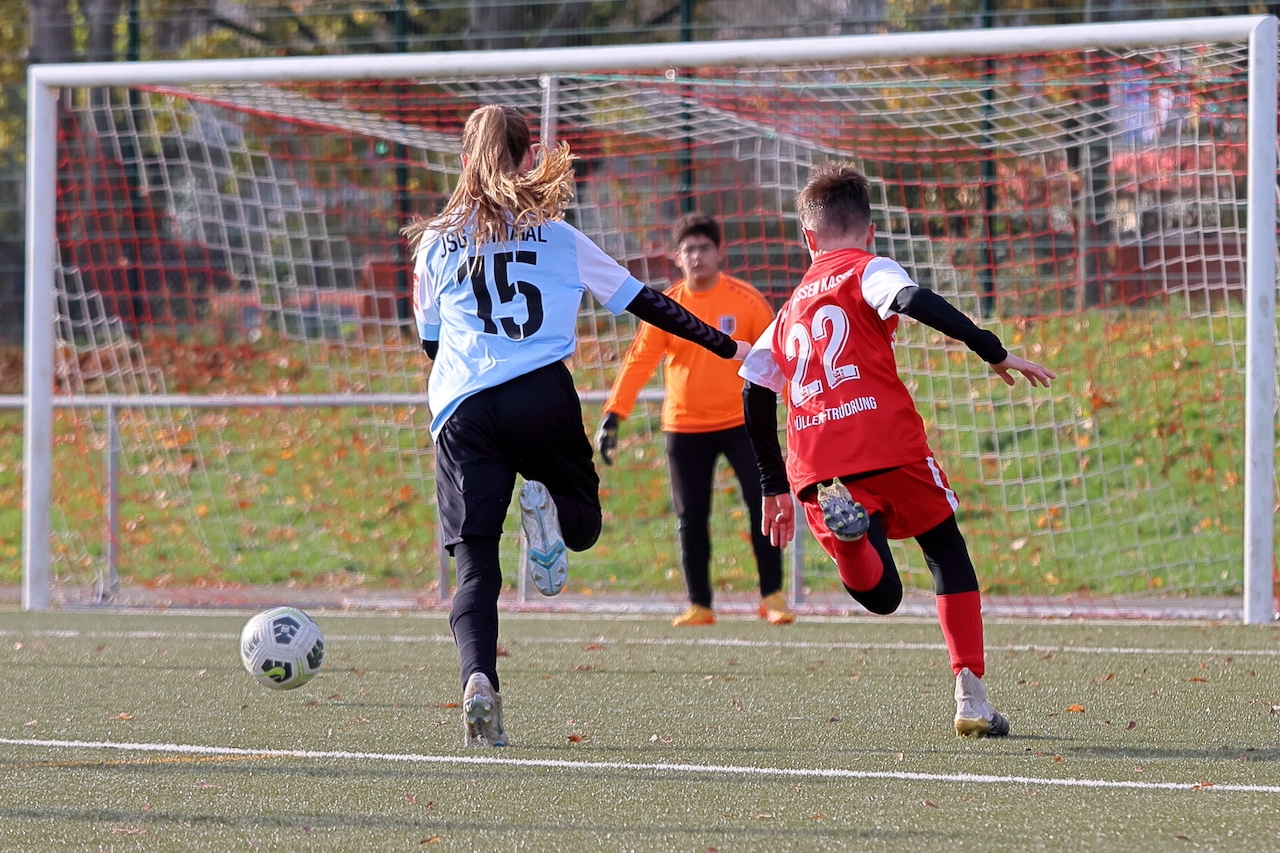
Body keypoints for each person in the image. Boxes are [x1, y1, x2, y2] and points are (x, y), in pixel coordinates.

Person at [404, 105, 749, 748]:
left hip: (463, 408)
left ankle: (478, 679)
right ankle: (550, 511)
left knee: (476, 566)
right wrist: (729, 348)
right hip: (541, 393)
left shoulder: (433, 241)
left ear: (465, 159)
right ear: (528, 157)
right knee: (583, 527)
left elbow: (430, 343)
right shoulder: (556, 235)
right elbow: (647, 302)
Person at [739, 163, 1055, 738]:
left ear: (808, 238)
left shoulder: (788, 310)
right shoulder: (868, 268)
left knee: (882, 595)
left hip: (819, 464)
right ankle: (971, 697)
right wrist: (991, 349)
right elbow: (912, 298)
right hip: (887, 441)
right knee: (944, 548)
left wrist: (772, 484)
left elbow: (754, 390)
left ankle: (853, 542)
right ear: (871, 231)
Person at [596, 214, 787, 627]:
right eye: (689, 249)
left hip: (742, 425)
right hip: (684, 427)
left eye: (704, 248)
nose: (697, 256)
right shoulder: (667, 307)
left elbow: (775, 357)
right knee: (691, 517)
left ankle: (772, 596)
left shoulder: (747, 301)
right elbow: (639, 360)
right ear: (676, 257)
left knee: (763, 504)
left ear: (720, 253)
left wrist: (796, 408)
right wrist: (614, 413)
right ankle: (700, 604)